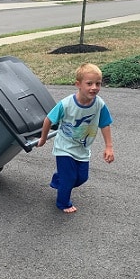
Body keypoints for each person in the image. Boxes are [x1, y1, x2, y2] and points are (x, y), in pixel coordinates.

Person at [37, 63, 114, 213]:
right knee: (70, 179)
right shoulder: (66, 104)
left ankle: (58, 179)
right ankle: (63, 203)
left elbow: (105, 124)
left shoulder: (99, 104)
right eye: (89, 83)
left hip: (82, 148)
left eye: (98, 84)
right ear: (78, 84)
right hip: (64, 147)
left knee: (81, 178)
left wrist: (109, 146)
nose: (94, 87)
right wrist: (43, 138)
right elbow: (49, 119)